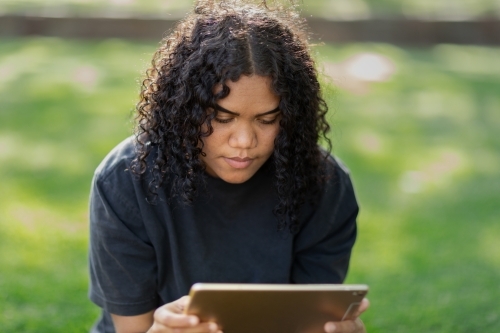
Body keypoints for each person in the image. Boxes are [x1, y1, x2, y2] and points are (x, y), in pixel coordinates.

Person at [88, 1, 369, 332]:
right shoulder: (124, 180)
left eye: (267, 119)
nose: (244, 140)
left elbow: (308, 319)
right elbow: (131, 328)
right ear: (184, 110)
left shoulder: (325, 184)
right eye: (222, 118)